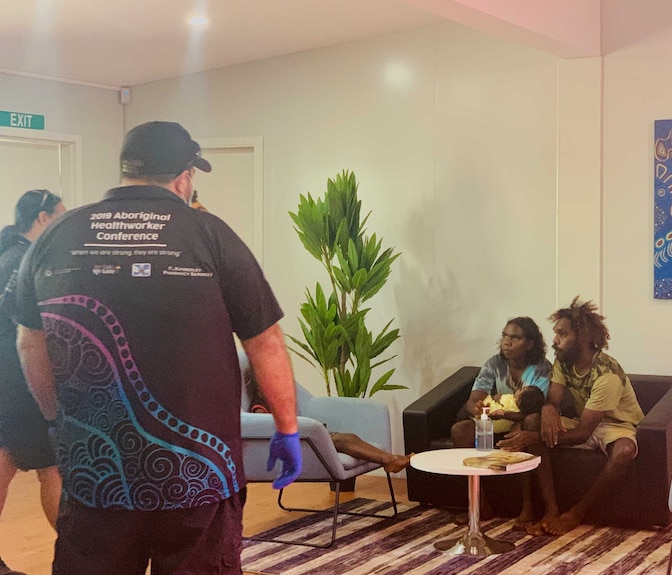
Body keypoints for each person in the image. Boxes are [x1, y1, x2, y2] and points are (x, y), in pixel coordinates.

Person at [15, 121, 302, 575]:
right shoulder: (210, 233)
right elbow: (264, 340)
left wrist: (56, 418)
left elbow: (31, 341)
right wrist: (287, 428)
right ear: (185, 176)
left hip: (97, 470)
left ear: (126, 171)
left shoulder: (57, 233)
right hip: (200, 473)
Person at [498, 296, 644, 536]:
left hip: (615, 425)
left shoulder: (607, 374)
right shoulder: (563, 361)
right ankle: (550, 510)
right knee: (532, 420)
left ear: (584, 337)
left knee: (624, 452)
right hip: (580, 420)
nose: (554, 340)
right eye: (556, 333)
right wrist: (546, 411)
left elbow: (583, 434)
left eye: (562, 334)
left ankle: (576, 514)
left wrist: (531, 438)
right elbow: (553, 400)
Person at [0, 190, 66, 575]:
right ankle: (82, 556)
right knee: (48, 464)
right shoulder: (25, 260)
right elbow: (32, 327)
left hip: (9, 377)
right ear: (42, 217)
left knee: (13, 460)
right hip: (19, 378)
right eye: (59, 215)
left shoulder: (7, 253)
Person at [243, 368, 411, 473]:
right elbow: (269, 430)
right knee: (345, 439)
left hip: (307, 438)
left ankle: (390, 459)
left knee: (347, 437)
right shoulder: (260, 407)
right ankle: (390, 460)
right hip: (298, 445)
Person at [449, 316, 552, 448]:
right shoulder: (494, 363)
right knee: (460, 429)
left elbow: (533, 409)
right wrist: (483, 413)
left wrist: (506, 416)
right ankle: (474, 467)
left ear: (530, 344)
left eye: (515, 338)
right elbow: (472, 401)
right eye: (505, 336)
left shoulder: (541, 368)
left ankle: (529, 467)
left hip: (521, 422)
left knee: (532, 420)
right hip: (492, 422)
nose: (507, 342)